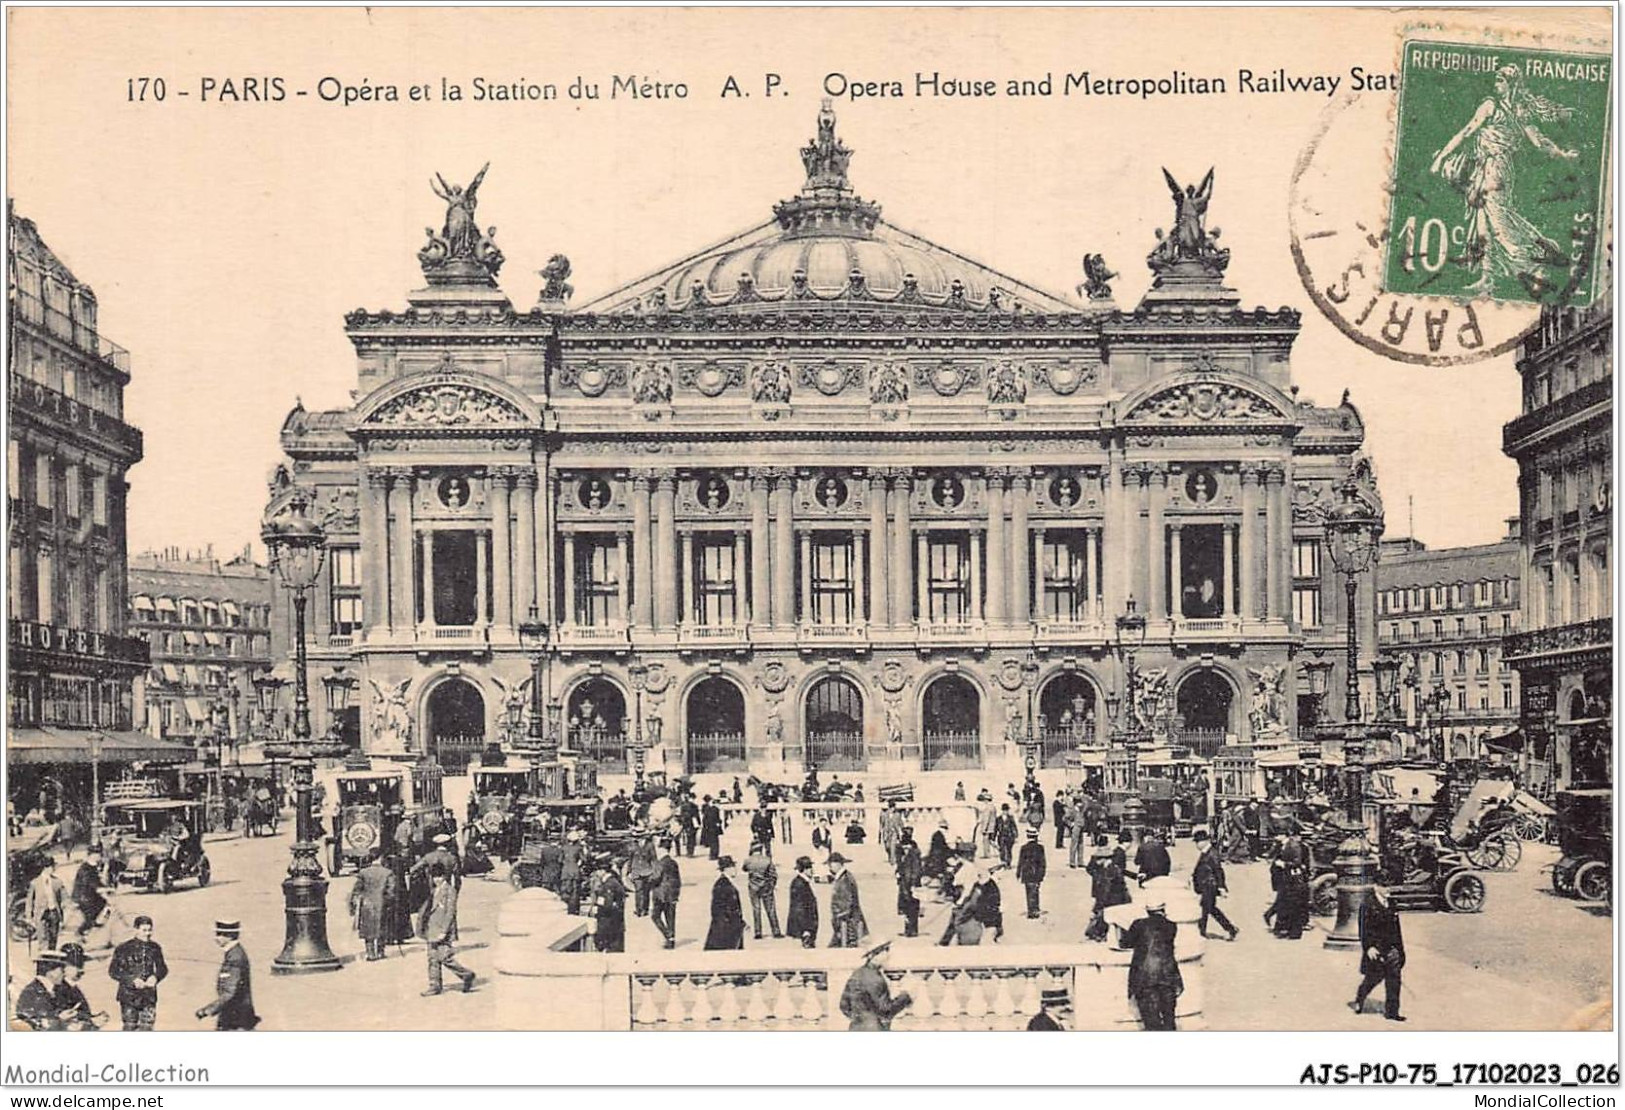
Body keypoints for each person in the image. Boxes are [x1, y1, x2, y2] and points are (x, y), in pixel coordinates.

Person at [1121, 898, 1183, 1030]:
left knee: (1151, 1023)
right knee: (1169, 1020)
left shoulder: (1138, 924)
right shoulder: (1172, 925)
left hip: (1145, 978)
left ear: (1147, 911)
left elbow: (1125, 943)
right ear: (1163, 910)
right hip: (1168, 977)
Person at [1351, 883, 1406, 1021]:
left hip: (1392, 948)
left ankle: (1392, 1012)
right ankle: (1360, 997)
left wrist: (1400, 950)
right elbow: (1363, 929)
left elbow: (1397, 929)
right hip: (1376, 949)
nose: (1388, 890)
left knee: (1394, 980)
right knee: (1373, 978)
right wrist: (1369, 947)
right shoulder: (1368, 904)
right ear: (1376, 887)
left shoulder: (1392, 903)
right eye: (1385, 887)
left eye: (1389, 886)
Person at [418, 865, 475, 996]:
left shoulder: (450, 891)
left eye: (439, 877)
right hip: (432, 928)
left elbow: (450, 912)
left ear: (444, 877)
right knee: (432, 958)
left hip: (442, 929)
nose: (436, 880)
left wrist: (444, 930)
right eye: (434, 877)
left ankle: (466, 974)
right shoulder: (434, 890)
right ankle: (434, 985)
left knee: (444, 957)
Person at [195, 919, 259, 1030]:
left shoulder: (235, 957)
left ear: (229, 936)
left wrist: (207, 1010)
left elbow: (230, 992)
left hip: (235, 1018)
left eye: (219, 935)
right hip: (235, 1016)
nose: (216, 938)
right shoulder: (234, 953)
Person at [108, 914, 168, 1030]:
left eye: (150, 930)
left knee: (147, 1028)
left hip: (149, 996)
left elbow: (162, 968)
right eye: (144, 930)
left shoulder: (155, 948)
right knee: (130, 1028)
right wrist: (132, 980)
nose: (147, 933)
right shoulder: (123, 948)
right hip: (129, 997)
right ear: (136, 930)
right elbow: (113, 971)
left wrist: (155, 977)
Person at [839, 941, 912, 1031]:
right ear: (874, 956)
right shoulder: (875, 979)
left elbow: (844, 1006)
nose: (887, 955)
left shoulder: (857, 973)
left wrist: (860, 1019)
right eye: (885, 950)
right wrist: (905, 997)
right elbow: (886, 1010)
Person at [1191, 830, 1239, 941]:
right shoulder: (1206, 852)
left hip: (1210, 885)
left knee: (1205, 909)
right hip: (1207, 885)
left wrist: (1221, 887)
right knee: (1211, 909)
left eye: (1198, 842)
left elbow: (1218, 870)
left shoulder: (1212, 853)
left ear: (1205, 841)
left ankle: (1201, 932)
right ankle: (1230, 929)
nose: (1197, 845)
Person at [349, 854, 398, 961]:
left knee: (368, 929)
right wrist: (389, 901)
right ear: (381, 858)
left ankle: (370, 953)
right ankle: (380, 952)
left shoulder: (363, 872)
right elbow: (391, 890)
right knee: (382, 927)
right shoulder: (388, 872)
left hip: (367, 903)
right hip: (382, 903)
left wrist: (354, 903)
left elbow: (357, 889)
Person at [1084, 840, 1129, 942]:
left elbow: (1106, 890)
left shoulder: (1110, 870)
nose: (1096, 862)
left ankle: (1100, 935)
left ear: (1104, 859)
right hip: (1115, 898)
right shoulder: (1109, 868)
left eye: (1098, 859)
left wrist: (1099, 904)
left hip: (1114, 899)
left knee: (1104, 916)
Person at [14, 952, 70, 1030]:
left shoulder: (53, 990)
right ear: (50, 972)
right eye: (62, 970)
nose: (65, 974)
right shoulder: (32, 992)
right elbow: (31, 1021)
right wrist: (59, 1017)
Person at [54, 944, 105, 1030]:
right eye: (76, 965)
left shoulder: (72, 987)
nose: (81, 970)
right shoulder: (58, 989)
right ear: (62, 966)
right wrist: (91, 1021)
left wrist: (95, 1018)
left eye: (81, 965)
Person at [742, 841, 783, 940]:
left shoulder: (748, 860)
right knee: (771, 909)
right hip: (766, 887)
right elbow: (773, 874)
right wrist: (772, 885)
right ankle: (776, 931)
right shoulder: (767, 860)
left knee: (756, 909)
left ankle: (758, 932)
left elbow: (744, 869)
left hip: (753, 887)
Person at [586, 857, 627, 953]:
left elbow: (607, 905)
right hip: (615, 922)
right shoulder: (612, 882)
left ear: (603, 871)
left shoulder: (609, 884)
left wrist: (596, 911)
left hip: (611, 923)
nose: (596, 873)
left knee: (611, 950)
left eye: (597, 871)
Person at [704, 857, 747, 950]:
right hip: (725, 929)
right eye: (733, 867)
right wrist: (735, 923)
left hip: (727, 926)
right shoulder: (722, 884)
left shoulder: (725, 883)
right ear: (727, 869)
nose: (735, 870)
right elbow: (720, 909)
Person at [827, 852, 868, 948]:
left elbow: (847, 904)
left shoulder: (844, 879)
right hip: (846, 923)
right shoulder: (844, 877)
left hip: (847, 924)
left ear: (837, 864)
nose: (829, 868)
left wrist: (839, 918)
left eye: (830, 864)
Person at [25, 859, 66, 953]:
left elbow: (63, 900)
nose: (54, 869)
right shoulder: (35, 883)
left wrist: (62, 916)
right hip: (41, 913)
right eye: (52, 867)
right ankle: (43, 957)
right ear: (46, 868)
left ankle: (51, 958)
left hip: (54, 912)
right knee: (42, 937)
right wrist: (28, 917)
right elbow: (29, 901)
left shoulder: (57, 882)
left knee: (53, 936)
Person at [70, 845, 108, 946]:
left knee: (102, 902)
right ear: (92, 855)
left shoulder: (93, 866)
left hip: (89, 894)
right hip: (83, 897)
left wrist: (106, 887)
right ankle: (80, 932)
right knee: (90, 916)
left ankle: (91, 923)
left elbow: (97, 881)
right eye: (98, 855)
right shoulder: (85, 868)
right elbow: (89, 882)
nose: (100, 857)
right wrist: (99, 889)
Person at [650, 839, 682, 950]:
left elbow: (656, 878)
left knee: (655, 916)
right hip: (672, 895)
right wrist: (676, 894)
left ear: (662, 849)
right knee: (670, 918)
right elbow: (678, 880)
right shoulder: (673, 862)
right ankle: (671, 940)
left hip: (661, 894)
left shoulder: (661, 862)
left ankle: (668, 936)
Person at [894, 825, 923, 936]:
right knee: (908, 907)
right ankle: (909, 930)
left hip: (910, 883)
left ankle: (912, 930)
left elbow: (916, 869)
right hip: (905, 882)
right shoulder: (901, 849)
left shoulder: (914, 852)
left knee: (912, 906)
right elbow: (900, 864)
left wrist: (913, 883)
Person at [786, 855, 819, 947]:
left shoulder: (802, 882)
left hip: (807, 927)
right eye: (809, 868)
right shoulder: (799, 884)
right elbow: (799, 908)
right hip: (806, 929)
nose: (812, 870)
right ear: (803, 870)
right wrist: (805, 929)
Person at [1016, 828, 1047, 918]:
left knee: (1028, 892)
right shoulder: (1040, 848)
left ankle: (1031, 910)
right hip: (1036, 873)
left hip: (1026, 873)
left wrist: (1018, 873)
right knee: (1035, 891)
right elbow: (1043, 862)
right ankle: (1035, 909)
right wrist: (1042, 873)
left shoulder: (1024, 848)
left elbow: (1020, 862)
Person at [626, 832, 656, 916]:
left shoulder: (650, 845)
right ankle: (639, 910)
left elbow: (653, 859)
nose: (638, 838)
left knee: (646, 891)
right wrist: (628, 872)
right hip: (636, 871)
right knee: (638, 891)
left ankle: (645, 909)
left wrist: (654, 870)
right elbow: (630, 859)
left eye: (640, 836)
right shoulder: (633, 845)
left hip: (647, 871)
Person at [560, 829, 586, 915]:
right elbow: (584, 859)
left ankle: (565, 907)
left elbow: (560, 860)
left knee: (565, 889)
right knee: (575, 891)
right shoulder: (579, 848)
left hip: (565, 871)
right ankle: (574, 909)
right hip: (575, 871)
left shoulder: (564, 848)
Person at [700, 796, 723, 861]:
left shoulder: (706, 809)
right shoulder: (715, 809)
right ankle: (714, 855)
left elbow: (704, 820)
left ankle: (712, 855)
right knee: (715, 842)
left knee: (712, 842)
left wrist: (705, 827)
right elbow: (717, 819)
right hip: (714, 828)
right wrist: (719, 823)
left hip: (708, 828)